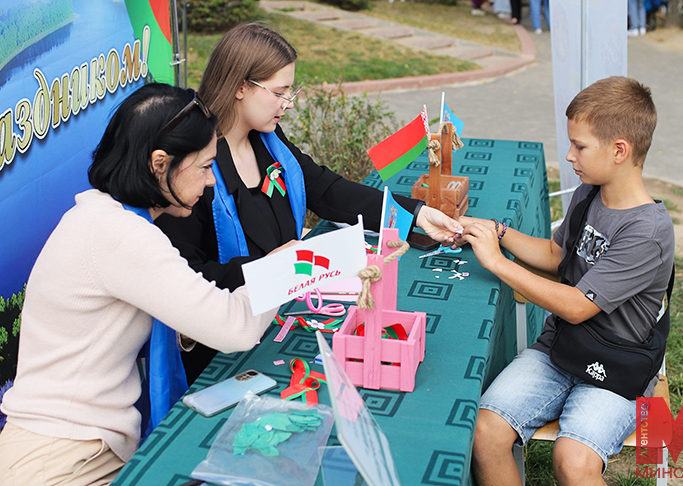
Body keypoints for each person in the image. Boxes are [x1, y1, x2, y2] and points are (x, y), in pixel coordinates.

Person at [0, 84, 277, 486]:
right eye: (206, 166)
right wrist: (286, 273)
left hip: (83, 447)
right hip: (57, 464)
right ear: (160, 163)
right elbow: (237, 328)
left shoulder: (108, 218)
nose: (211, 182)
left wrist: (189, 325)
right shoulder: (119, 234)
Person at [155, 23, 464, 384]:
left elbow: (326, 189)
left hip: (283, 315)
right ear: (241, 86)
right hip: (225, 348)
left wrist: (416, 213)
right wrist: (268, 270)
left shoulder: (268, 140)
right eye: (280, 92)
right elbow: (186, 275)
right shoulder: (193, 169)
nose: (288, 104)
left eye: (292, 91)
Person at [464, 76, 674, 486]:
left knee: (573, 460)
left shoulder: (648, 232)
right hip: (561, 350)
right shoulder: (589, 193)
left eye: (579, 145)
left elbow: (578, 305)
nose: (569, 154)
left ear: (619, 151)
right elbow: (557, 255)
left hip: (618, 370)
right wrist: (496, 231)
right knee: (485, 431)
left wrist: (498, 263)